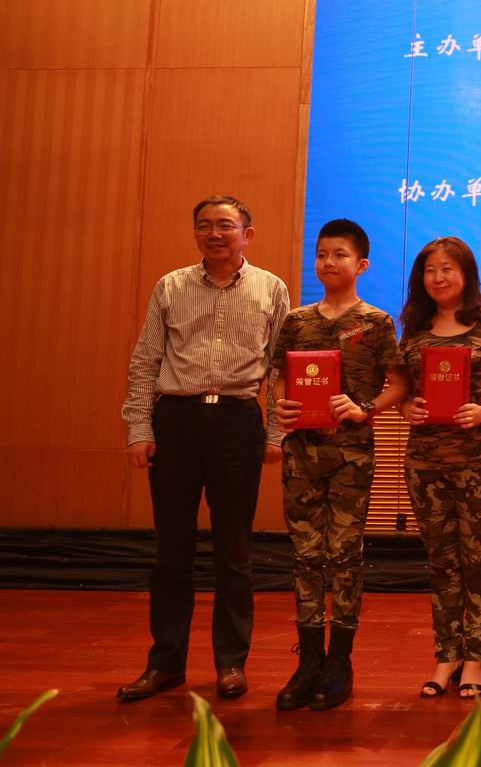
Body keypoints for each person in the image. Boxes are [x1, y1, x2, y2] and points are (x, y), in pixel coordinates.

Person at [118, 195, 290, 702]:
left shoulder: (271, 288)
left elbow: (280, 367)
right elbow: (145, 362)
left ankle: (231, 664)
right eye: (205, 225)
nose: (215, 233)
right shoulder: (170, 286)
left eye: (225, 225)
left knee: (234, 552)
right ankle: (165, 663)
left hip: (237, 422)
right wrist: (139, 428)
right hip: (176, 421)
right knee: (171, 551)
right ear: (195, 233)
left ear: (246, 234)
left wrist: (276, 434)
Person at [269, 219, 406, 710]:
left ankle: (339, 663)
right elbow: (280, 378)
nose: (329, 262)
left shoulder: (376, 322)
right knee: (306, 557)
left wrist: (365, 409)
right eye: (322, 254)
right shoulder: (297, 320)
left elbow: (399, 384)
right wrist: (281, 407)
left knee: (344, 556)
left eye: (340, 254)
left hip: (351, 454)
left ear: (361, 264)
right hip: (301, 453)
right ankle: (308, 661)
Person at [397, 236, 481, 701]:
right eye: (430, 270)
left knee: (479, 560)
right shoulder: (413, 329)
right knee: (441, 562)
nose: (439, 277)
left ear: (467, 274)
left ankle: (475, 658)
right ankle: (445, 654)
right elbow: (403, 392)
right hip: (426, 463)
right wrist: (407, 409)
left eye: (448, 268)